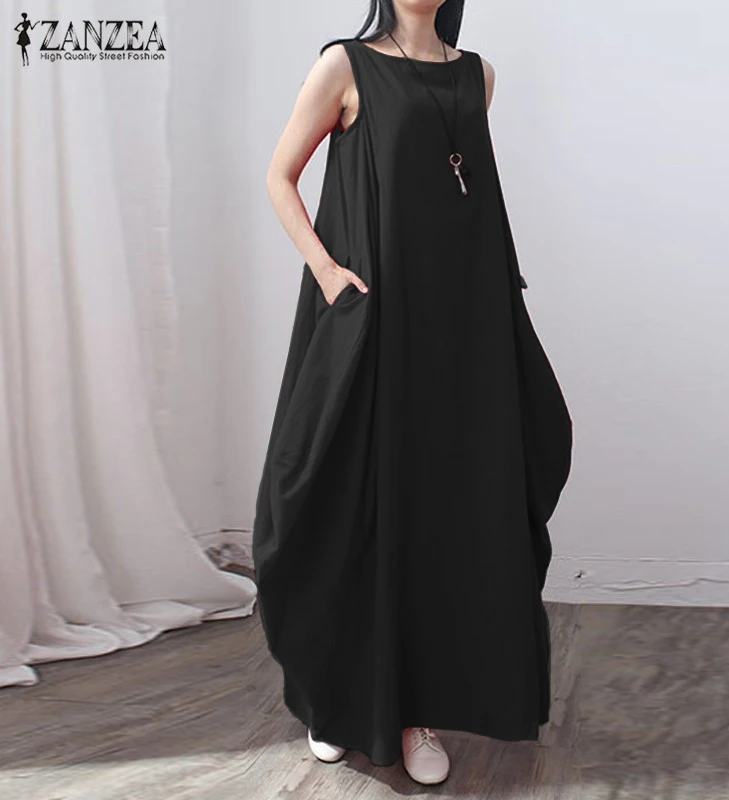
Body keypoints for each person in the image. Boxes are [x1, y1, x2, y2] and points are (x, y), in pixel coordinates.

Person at [252, 0, 572, 785]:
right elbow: (280, 177)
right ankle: (337, 703)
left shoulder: (477, 77)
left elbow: (467, 201)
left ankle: (415, 710)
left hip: (457, 336)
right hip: (373, 323)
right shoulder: (345, 65)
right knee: (341, 503)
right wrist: (330, 275)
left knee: (437, 520)